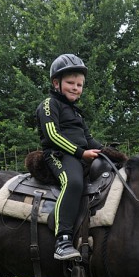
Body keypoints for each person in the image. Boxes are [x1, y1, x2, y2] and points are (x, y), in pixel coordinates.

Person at [35, 54, 102, 260]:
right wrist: (81, 153)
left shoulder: (76, 113)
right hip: (58, 155)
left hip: (80, 156)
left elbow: (88, 139)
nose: (76, 88)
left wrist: (107, 154)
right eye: (71, 83)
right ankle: (62, 240)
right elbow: (52, 135)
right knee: (73, 182)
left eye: (80, 84)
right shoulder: (49, 105)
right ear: (56, 83)